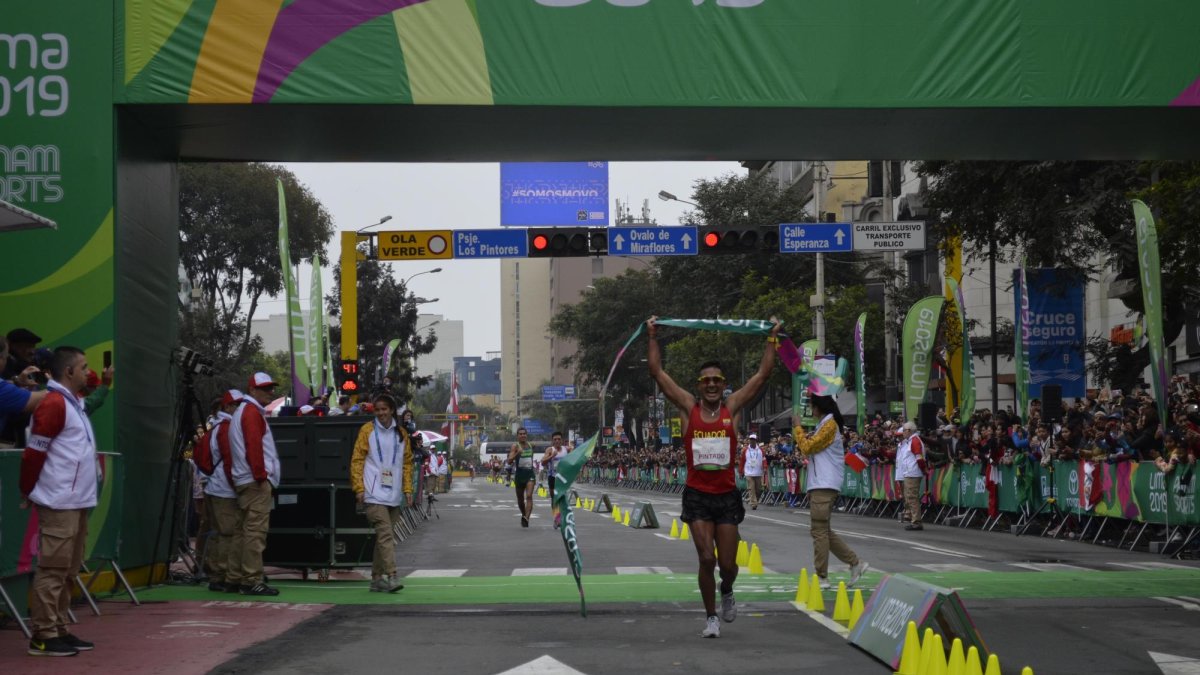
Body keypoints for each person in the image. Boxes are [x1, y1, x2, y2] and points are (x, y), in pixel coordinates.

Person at [647, 315, 781, 639]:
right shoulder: (687, 407)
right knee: (706, 558)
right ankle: (710, 618)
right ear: (698, 384)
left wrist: (772, 338)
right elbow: (658, 373)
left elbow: (763, 375)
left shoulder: (731, 408)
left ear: (723, 384)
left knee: (729, 565)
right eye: (705, 380)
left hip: (726, 497)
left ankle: (728, 589)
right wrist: (653, 335)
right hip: (697, 495)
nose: (710, 385)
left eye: (716, 380)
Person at [19, 346, 97, 656]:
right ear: (69, 372)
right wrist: (27, 490)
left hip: (76, 501)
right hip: (58, 500)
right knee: (52, 569)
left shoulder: (73, 402)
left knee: (69, 569)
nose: (88, 372)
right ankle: (43, 634)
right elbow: (34, 453)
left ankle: (60, 627)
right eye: (84, 367)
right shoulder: (53, 403)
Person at [792, 394, 869, 591]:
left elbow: (807, 447)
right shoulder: (825, 425)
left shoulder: (829, 425)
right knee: (823, 530)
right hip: (822, 483)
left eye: (812, 406)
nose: (811, 410)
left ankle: (822, 576)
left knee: (818, 530)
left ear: (819, 407)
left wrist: (797, 428)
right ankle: (855, 563)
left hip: (825, 483)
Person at [350, 393, 413, 592]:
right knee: (385, 535)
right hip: (373, 493)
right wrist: (359, 488)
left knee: (383, 537)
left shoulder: (401, 434)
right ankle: (392, 575)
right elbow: (357, 461)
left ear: (392, 410)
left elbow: (407, 464)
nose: (381, 413)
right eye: (377, 410)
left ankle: (376, 579)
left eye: (384, 409)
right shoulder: (367, 430)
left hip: (394, 494)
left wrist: (408, 489)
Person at [228, 372, 282, 596]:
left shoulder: (244, 411)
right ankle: (251, 580)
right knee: (255, 532)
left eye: (271, 388)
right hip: (254, 481)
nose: (271, 391)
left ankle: (234, 577)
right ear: (252, 390)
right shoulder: (251, 413)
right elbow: (254, 448)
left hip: (245, 480)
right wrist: (261, 476)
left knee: (242, 531)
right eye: (265, 388)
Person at [894, 421, 927, 531]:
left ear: (909, 431)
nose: (902, 433)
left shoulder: (915, 441)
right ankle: (914, 519)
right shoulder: (911, 441)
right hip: (910, 472)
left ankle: (916, 522)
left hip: (913, 472)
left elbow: (919, 458)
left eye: (903, 430)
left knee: (912, 497)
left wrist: (923, 469)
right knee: (910, 497)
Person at [508, 428, 536, 527]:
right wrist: (517, 453)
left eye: (524, 434)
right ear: (517, 436)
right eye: (520, 434)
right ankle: (523, 514)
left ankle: (526, 518)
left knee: (529, 496)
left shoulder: (530, 445)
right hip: (519, 475)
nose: (522, 435)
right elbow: (509, 461)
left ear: (526, 435)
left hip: (530, 474)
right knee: (520, 499)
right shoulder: (515, 446)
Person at [543, 431, 566, 528]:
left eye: (559, 439)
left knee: (561, 498)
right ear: (552, 441)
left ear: (562, 440)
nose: (557, 441)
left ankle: (559, 518)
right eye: (555, 439)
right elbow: (542, 462)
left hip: (563, 478)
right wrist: (552, 456)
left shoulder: (566, 449)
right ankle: (556, 519)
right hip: (552, 477)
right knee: (554, 498)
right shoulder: (550, 449)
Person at [740, 433, 766, 510]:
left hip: (758, 472)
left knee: (758, 489)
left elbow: (764, 459)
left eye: (753, 440)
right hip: (749, 472)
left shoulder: (761, 450)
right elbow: (742, 461)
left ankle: (755, 500)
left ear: (756, 441)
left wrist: (764, 467)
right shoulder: (745, 450)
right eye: (751, 440)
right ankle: (753, 503)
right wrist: (741, 471)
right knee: (751, 488)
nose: (752, 441)